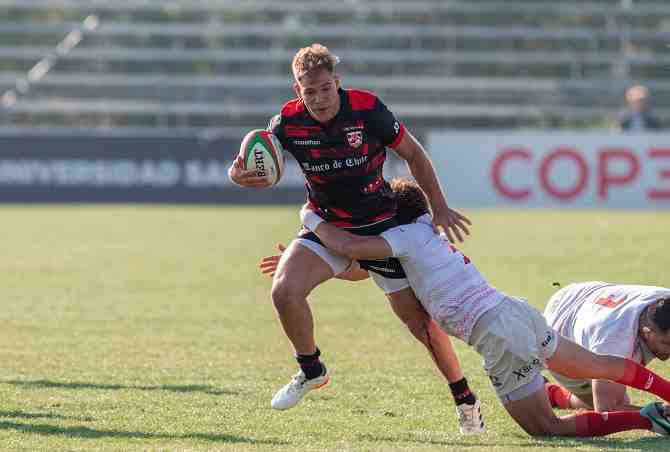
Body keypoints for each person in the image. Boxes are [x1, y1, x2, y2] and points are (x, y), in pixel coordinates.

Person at [227, 43, 482, 432]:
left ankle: (465, 399)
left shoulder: (367, 109)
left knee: (420, 327)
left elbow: (414, 154)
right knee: (284, 291)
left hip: (380, 226)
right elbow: (250, 164)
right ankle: (311, 369)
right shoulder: (286, 123)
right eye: (309, 91)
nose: (318, 98)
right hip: (327, 226)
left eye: (325, 88)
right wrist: (238, 176)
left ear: (338, 83)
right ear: (298, 90)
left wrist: (441, 207)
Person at [290, 178, 670, 437]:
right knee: (601, 366)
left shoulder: (402, 237)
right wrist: (324, 272)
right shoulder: (424, 231)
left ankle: (644, 419)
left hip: (499, 334)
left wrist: (311, 219)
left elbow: (352, 248)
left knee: (547, 428)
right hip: (516, 312)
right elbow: (362, 266)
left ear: (391, 219)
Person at [543, 282, 670, 413]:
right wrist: (661, 413)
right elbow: (608, 410)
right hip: (557, 328)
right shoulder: (615, 344)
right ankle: (554, 394)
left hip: (585, 293)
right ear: (647, 332)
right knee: (610, 401)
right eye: (667, 343)